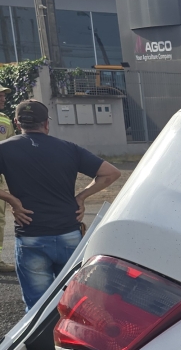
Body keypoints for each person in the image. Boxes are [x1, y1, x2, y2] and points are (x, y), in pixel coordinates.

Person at [0, 99, 121, 309]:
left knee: (38, 308)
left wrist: (11, 199)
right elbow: (111, 173)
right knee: (76, 303)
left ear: (17, 123)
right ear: (46, 123)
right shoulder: (69, 148)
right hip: (69, 234)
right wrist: (81, 197)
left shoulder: (5, 149)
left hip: (30, 235)